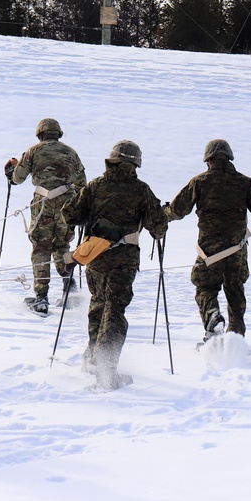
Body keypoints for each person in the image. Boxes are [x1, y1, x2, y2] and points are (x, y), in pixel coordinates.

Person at [62, 140, 167, 389]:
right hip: (124, 260)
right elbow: (158, 229)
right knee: (115, 309)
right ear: (135, 164)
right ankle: (106, 369)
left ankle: (93, 357)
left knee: (98, 303)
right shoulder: (141, 190)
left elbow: (70, 214)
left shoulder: (95, 185)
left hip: (95, 257)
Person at [163, 139, 251, 344]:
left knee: (205, 287)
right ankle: (235, 339)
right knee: (235, 291)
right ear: (229, 157)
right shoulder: (245, 182)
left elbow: (178, 210)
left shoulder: (199, 182)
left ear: (208, 160)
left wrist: (164, 214)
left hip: (209, 251)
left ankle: (213, 319)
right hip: (237, 251)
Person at [4, 118, 86, 316]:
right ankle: (69, 287)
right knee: (62, 245)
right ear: (58, 133)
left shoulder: (33, 151)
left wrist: (10, 170)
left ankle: (41, 298)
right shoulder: (71, 152)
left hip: (43, 203)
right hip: (68, 203)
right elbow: (82, 182)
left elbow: (17, 178)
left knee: (41, 247)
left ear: (40, 134)